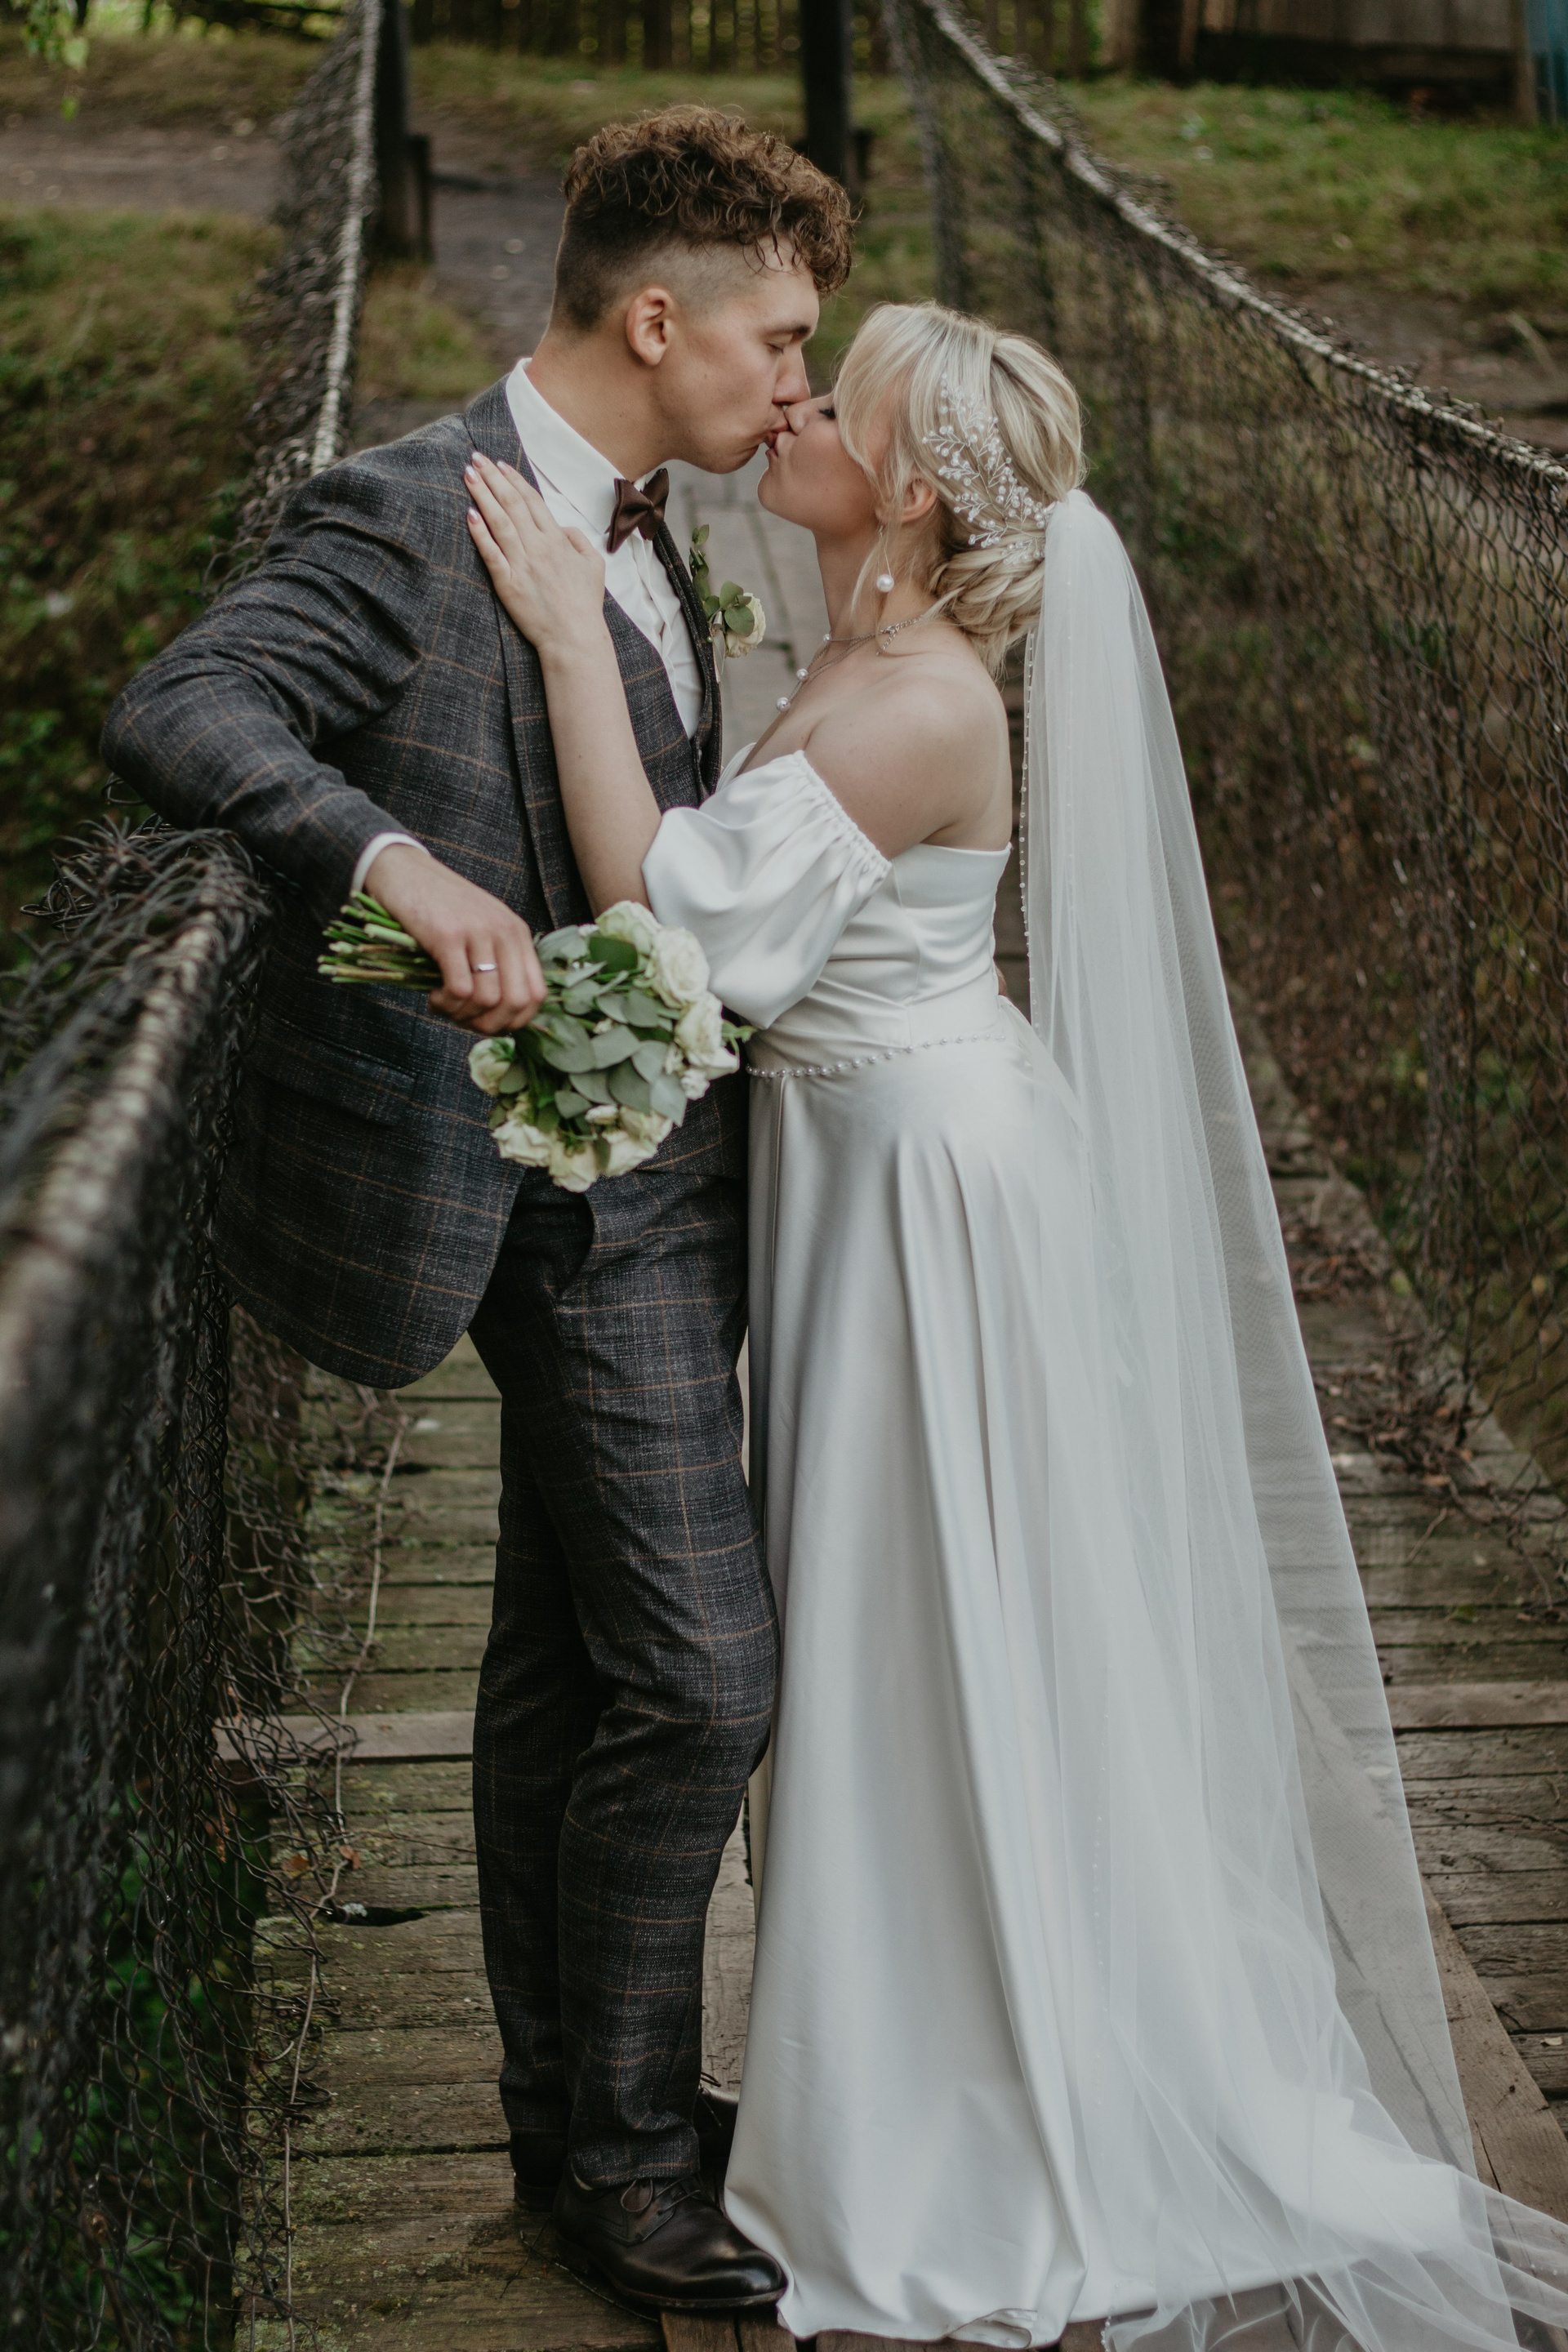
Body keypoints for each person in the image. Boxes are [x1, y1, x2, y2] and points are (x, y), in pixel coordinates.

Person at [465, 296, 1568, 2350]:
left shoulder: (922, 702)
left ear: (905, 484)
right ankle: (907, 2073)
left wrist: (562, 643)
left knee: (925, 1634)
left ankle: (965, 2110)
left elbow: (667, 929)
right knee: (892, 1627)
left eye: (834, 395)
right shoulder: (860, 650)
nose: (794, 406)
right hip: (865, 1176)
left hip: (923, 1209)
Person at [101, 107, 853, 2319]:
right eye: (779, 339)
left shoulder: (668, 519)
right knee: (701, 1683)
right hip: (552, 1210)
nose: (797, 382)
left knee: (565, 1669)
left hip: (677, 1167)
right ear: (659, 320)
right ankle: (623, 2155)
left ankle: (581, 2122)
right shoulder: (411, 510)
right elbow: (184, 702)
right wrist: (395, 860)